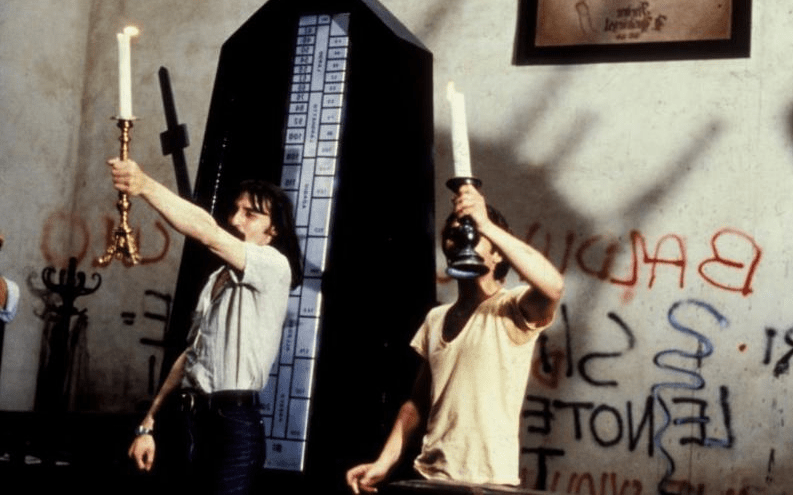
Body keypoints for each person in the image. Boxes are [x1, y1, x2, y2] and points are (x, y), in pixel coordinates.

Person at [346, 184, 564, 492]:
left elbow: (553, 286)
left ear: (497, 252)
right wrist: (384, 462)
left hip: (488, 481)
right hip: (430, 476)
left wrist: (485, 223)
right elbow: (417, 403)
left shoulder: (512, 308)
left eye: (472, 234)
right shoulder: (436, 318)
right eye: (453, 234)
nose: (461, 240)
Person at [110, 157, 302, 494]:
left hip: (234, 422)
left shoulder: (274, 265)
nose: (235, 220)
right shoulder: (217, 277)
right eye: (236, 210)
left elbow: (207, 232)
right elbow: (191, 355)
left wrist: (144, 185)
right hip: (192, 420)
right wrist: (148, 423)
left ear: (273, 230)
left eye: (250, 214)